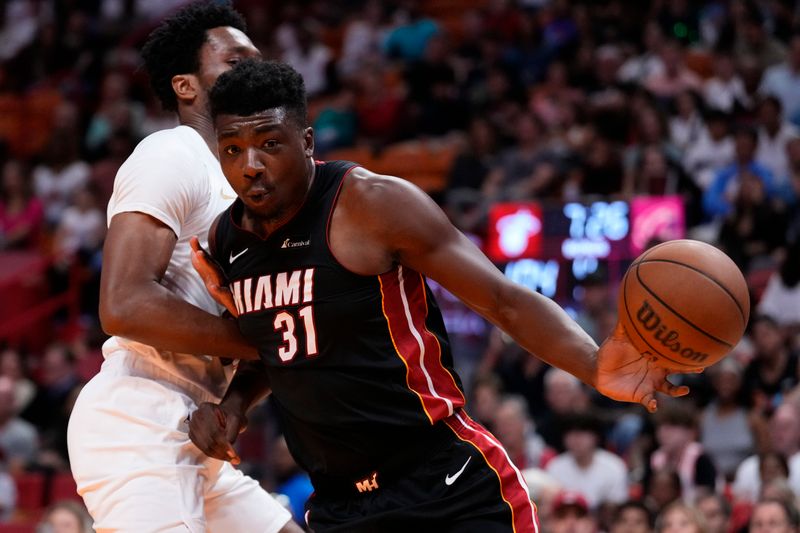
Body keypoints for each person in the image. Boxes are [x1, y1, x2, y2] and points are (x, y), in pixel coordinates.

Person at [187, 58, 695, 532]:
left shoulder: (371, 205)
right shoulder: (227, 241)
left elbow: (503, 300)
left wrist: (594, 364)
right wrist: (234, 405)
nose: (250, 164)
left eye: (269, 143)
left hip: (444, 484)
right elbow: (273, 346)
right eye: (233, 148)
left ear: (307, 141)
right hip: (340, 505)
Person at [65, 3, 299, 532]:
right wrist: (261, 341)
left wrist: (236, 403)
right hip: (140, 416)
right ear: (186, 87)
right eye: (235, 60)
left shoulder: (245, 183)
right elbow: (123, 304)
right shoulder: (172, 153)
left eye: (258, 60)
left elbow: (262, 327)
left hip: (201, 422)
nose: (253, 70)